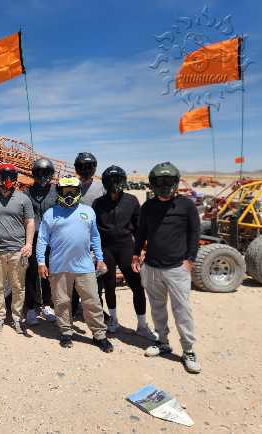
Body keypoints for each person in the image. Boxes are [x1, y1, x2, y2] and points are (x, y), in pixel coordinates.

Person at [132, 162, 201, 374]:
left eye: (168, 181)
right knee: (157, 308)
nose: (164, 186)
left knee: (182, 311)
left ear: (175, 182)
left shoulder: (186, 205)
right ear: (153, 184)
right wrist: (135, 254)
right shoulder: (148, 207)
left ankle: (188, 350)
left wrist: (190, 260)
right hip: (152, 267)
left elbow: (194, 233)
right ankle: (162, 342)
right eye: (159, 182)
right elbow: (141, 232)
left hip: (177, 268)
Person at [37, 176, 113, 352]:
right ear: (60, 192)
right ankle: (65, 332)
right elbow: (42, 239)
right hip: (59, 266)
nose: (69, 195)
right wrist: (41, 261)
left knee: (92, 301)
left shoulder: (88, 212)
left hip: (85, 266)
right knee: (62, 301)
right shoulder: (50, 213)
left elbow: (95, 236)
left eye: (73, 191)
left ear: (78, 192)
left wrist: (100, 258)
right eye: (66, 191)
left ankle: (99, 335)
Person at [93, 165, 157, 340]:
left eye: (118, 180)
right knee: (109, 285)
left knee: (137, 286)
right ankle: (113, 321)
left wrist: (141, 250)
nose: (115, 184)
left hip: (126, 247)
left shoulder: (131, 200)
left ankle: (142, 325)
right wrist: (96, 252)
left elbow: (139, 227)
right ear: (105, 183)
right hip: (106, 248)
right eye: (111, 181)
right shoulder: (98, 203)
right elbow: (94, 230)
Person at [0, 163, 35, 335]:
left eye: (10, 177)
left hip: (17, 251)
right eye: (3, 177)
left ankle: (16, 317)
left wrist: (29, 244)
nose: (7, 181)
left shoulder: (23, 199)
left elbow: (30, 222)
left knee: (18, 287)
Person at [23, 158, 57, 326]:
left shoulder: (56, 191)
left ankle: (47, 305)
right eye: (39, 173)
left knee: (48, 273)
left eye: (46, 173)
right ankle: (30, 308)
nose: (43, 177)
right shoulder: (27, 192)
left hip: (52, 237)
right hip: (34, 237)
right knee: (31, 273)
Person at [72, 152, 106, 318]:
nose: (85, 170)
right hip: (75, 239)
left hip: (95, 240)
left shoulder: (102, 187)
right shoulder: (71, 186)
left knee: (96, 278)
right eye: (82, 167)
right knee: (73, 277)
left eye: (88, 166)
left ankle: (96, 311)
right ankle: (73, 308)